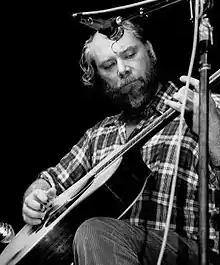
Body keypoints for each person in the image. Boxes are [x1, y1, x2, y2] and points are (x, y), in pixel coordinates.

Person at [22, 18, 220, 264]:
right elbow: (49, 180)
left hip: (192, 256)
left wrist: (212, 130)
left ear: (150, 51)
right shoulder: (98, 135)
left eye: (129, 54)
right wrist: (35, 198)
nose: (123, 69)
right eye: (108, 65)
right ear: (98, 76)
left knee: (95, 232)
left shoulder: (206, 107)